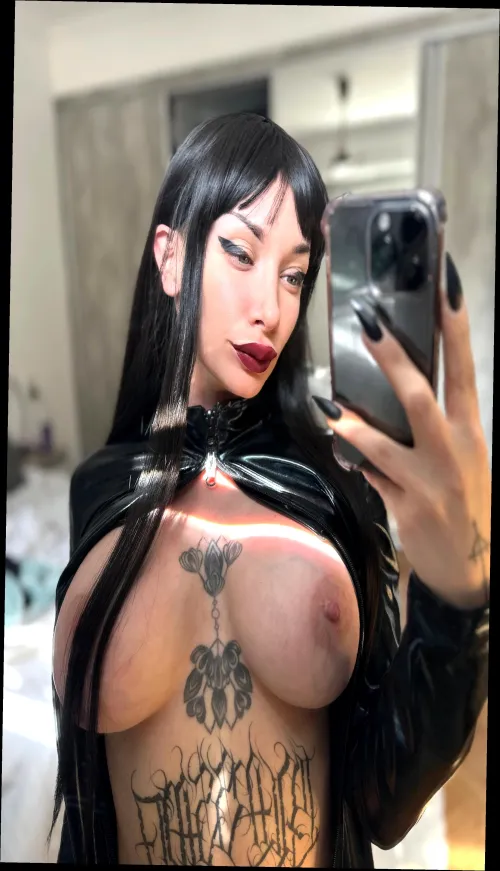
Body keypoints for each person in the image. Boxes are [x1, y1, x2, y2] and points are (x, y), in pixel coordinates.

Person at [50, 113, 490, 868]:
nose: (272, 309)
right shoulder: (100, 484)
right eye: (240, 251)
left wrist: (458, 602)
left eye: (294, 274)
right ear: (171, 257)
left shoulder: (335, 482)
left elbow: (385, 803)